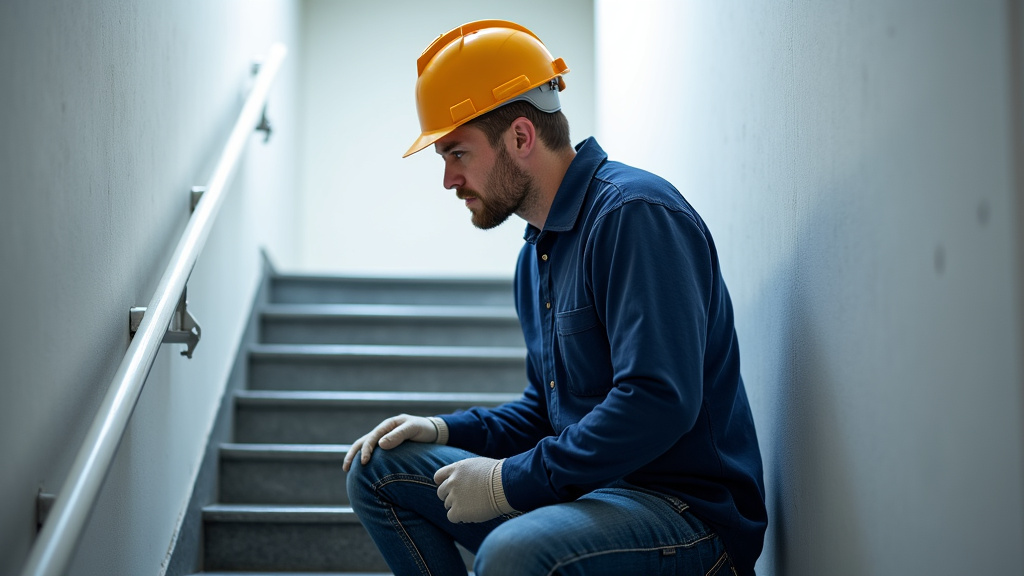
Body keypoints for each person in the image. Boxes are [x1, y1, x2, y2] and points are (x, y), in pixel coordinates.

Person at [343, 19, 767, 576]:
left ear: (520, 137)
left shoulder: (634, 215)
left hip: (685, 515)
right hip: (588, 494)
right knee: (380, 468)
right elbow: (545, 413)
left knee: (513, 553)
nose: (448, 180)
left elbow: (658, 400)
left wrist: (507, 482)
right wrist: (445, 430)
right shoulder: (536, 257)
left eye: (457, 154)